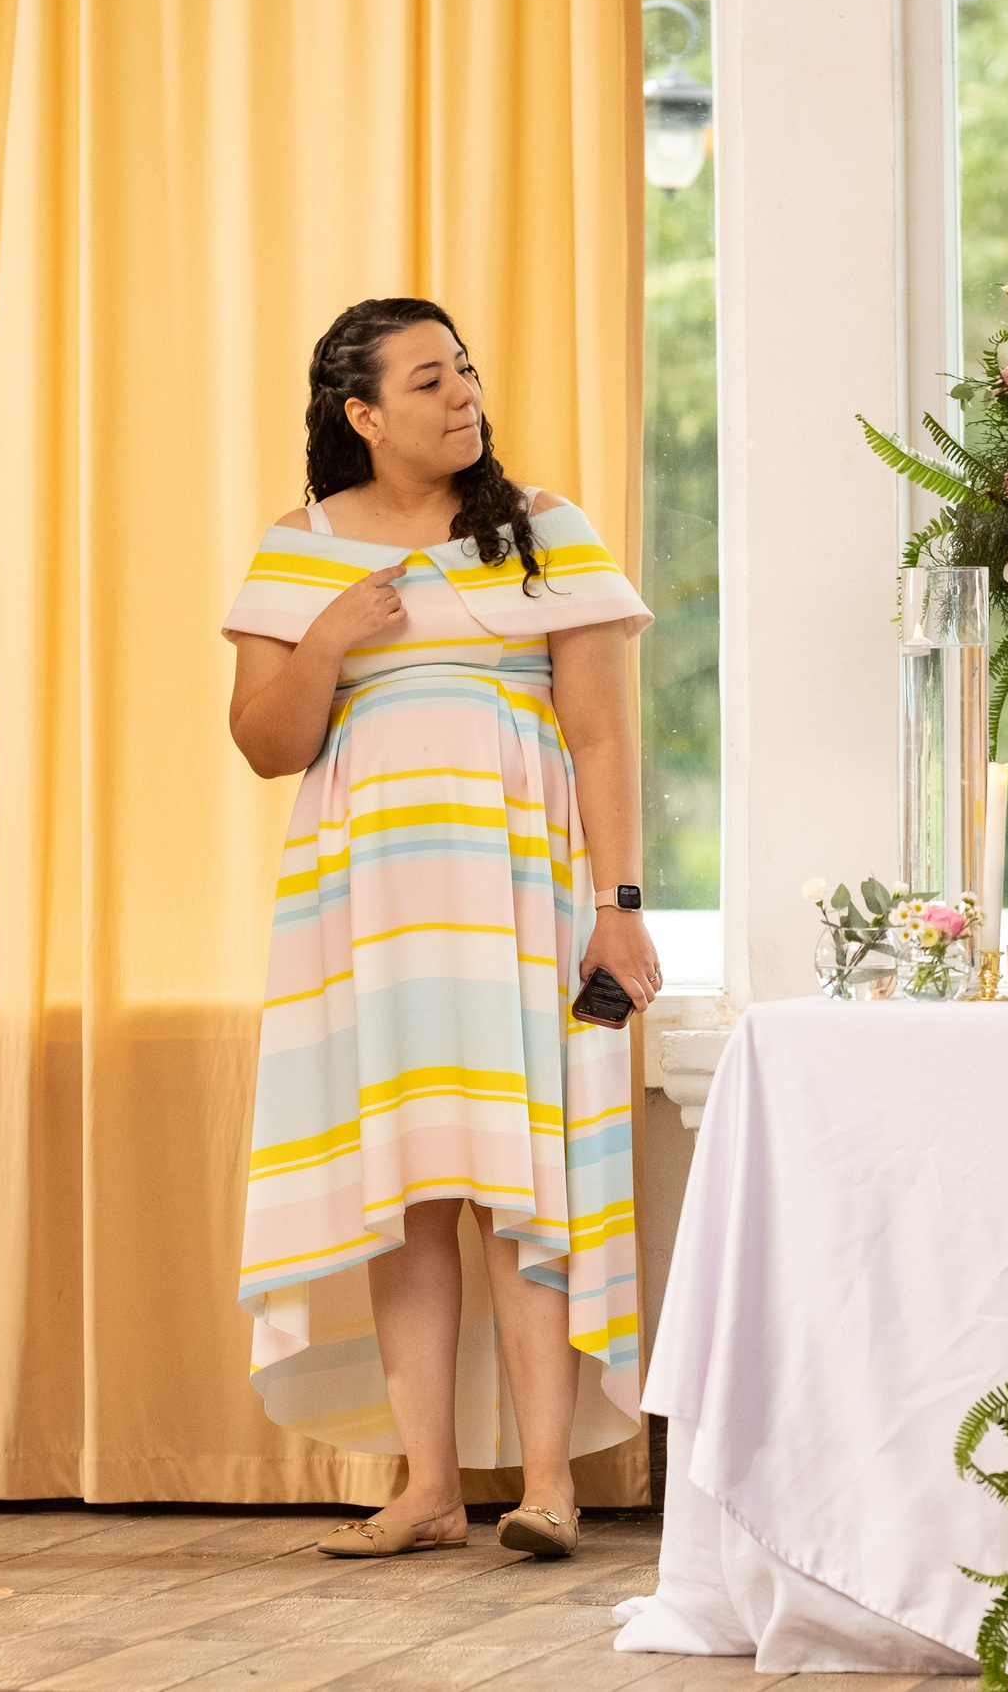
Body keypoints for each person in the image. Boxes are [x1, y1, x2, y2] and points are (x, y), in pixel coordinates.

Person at [224, 298, 654, 1562]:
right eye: (428, 379)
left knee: (526, 1187)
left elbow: (605, 735)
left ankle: (548, 1489)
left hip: (523, 896)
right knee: (405, 1187)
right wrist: (331, 640)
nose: (462, 393)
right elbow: (263, 743)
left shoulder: (545, 534)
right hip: (368, 910)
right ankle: (425, 1489)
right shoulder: (302, 549)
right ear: (362, 415)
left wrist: (616, 910)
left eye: (465, 369)